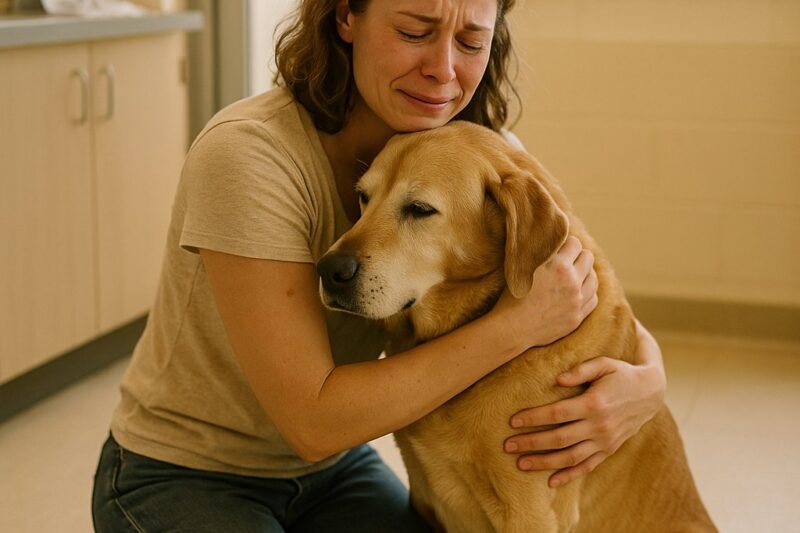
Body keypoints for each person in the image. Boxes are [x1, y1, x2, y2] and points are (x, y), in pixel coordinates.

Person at [91, 0, 666, 531]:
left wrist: (647, 386)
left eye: (470, 41)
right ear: (346, 17)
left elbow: (592, 300)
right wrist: (515, 327)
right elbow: (312, 423)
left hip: (334, 470)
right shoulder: (248, 156)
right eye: (414, 31)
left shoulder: (479, 155)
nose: (442, 70)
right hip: (187, 470)